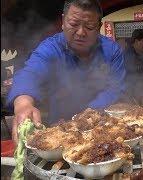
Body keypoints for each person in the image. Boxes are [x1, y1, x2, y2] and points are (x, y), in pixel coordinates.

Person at [7, 0, 126, 144]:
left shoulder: (111, 50)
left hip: (103, 127)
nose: (81, 32)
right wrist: (23, 104)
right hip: (60, 128)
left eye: (89, 26)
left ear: (99, 26)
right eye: (74, 24)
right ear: (63, 21)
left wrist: (88, 114)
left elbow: (116, 88)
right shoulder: (51, 47)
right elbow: (31, 72)